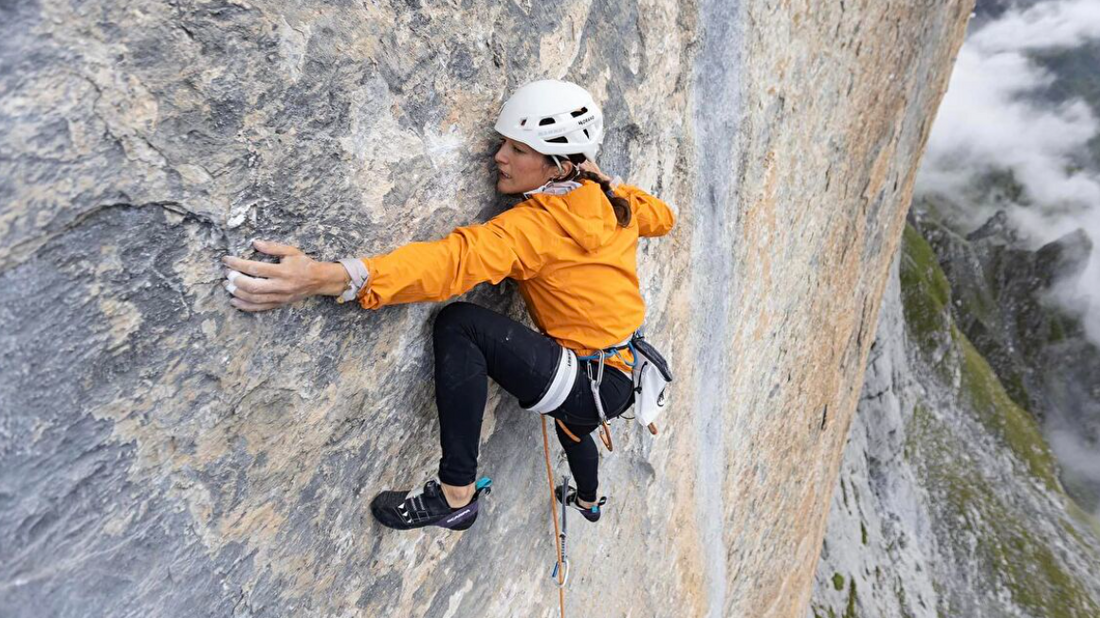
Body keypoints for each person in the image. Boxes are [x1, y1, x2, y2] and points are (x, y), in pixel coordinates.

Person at [222, 79, 675, 532]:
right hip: (620, 370)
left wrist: (330, 276)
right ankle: (590, 502)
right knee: (575, 428)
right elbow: (664, 218)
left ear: (558, 168)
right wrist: (608, 182)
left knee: (462, 326)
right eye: (504, 144)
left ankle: (455, 494)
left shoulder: (536, 228)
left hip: (588, 381)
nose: (499, 156)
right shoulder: (615, 203)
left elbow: (450, 263)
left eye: (518, 150)